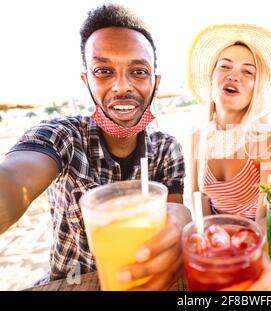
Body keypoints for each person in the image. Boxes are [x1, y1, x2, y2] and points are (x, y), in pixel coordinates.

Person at [0, 4, 191, 290]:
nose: (121, 86)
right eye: (103, 71)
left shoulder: (167, 149)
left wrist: (180, 219)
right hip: (71, 282)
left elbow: (173, 216)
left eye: (138, 72)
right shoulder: (64, 136)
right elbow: (16, 180)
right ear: (85, 80)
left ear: (155, 82)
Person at [186, 23, 271, 221]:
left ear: (256, 89)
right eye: (224, 66)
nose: (233, 75)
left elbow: (267, 219)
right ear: (212, 78)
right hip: (213, 241)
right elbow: (198, 203)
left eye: (248, 72)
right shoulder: (196, 137)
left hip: (256, 243)